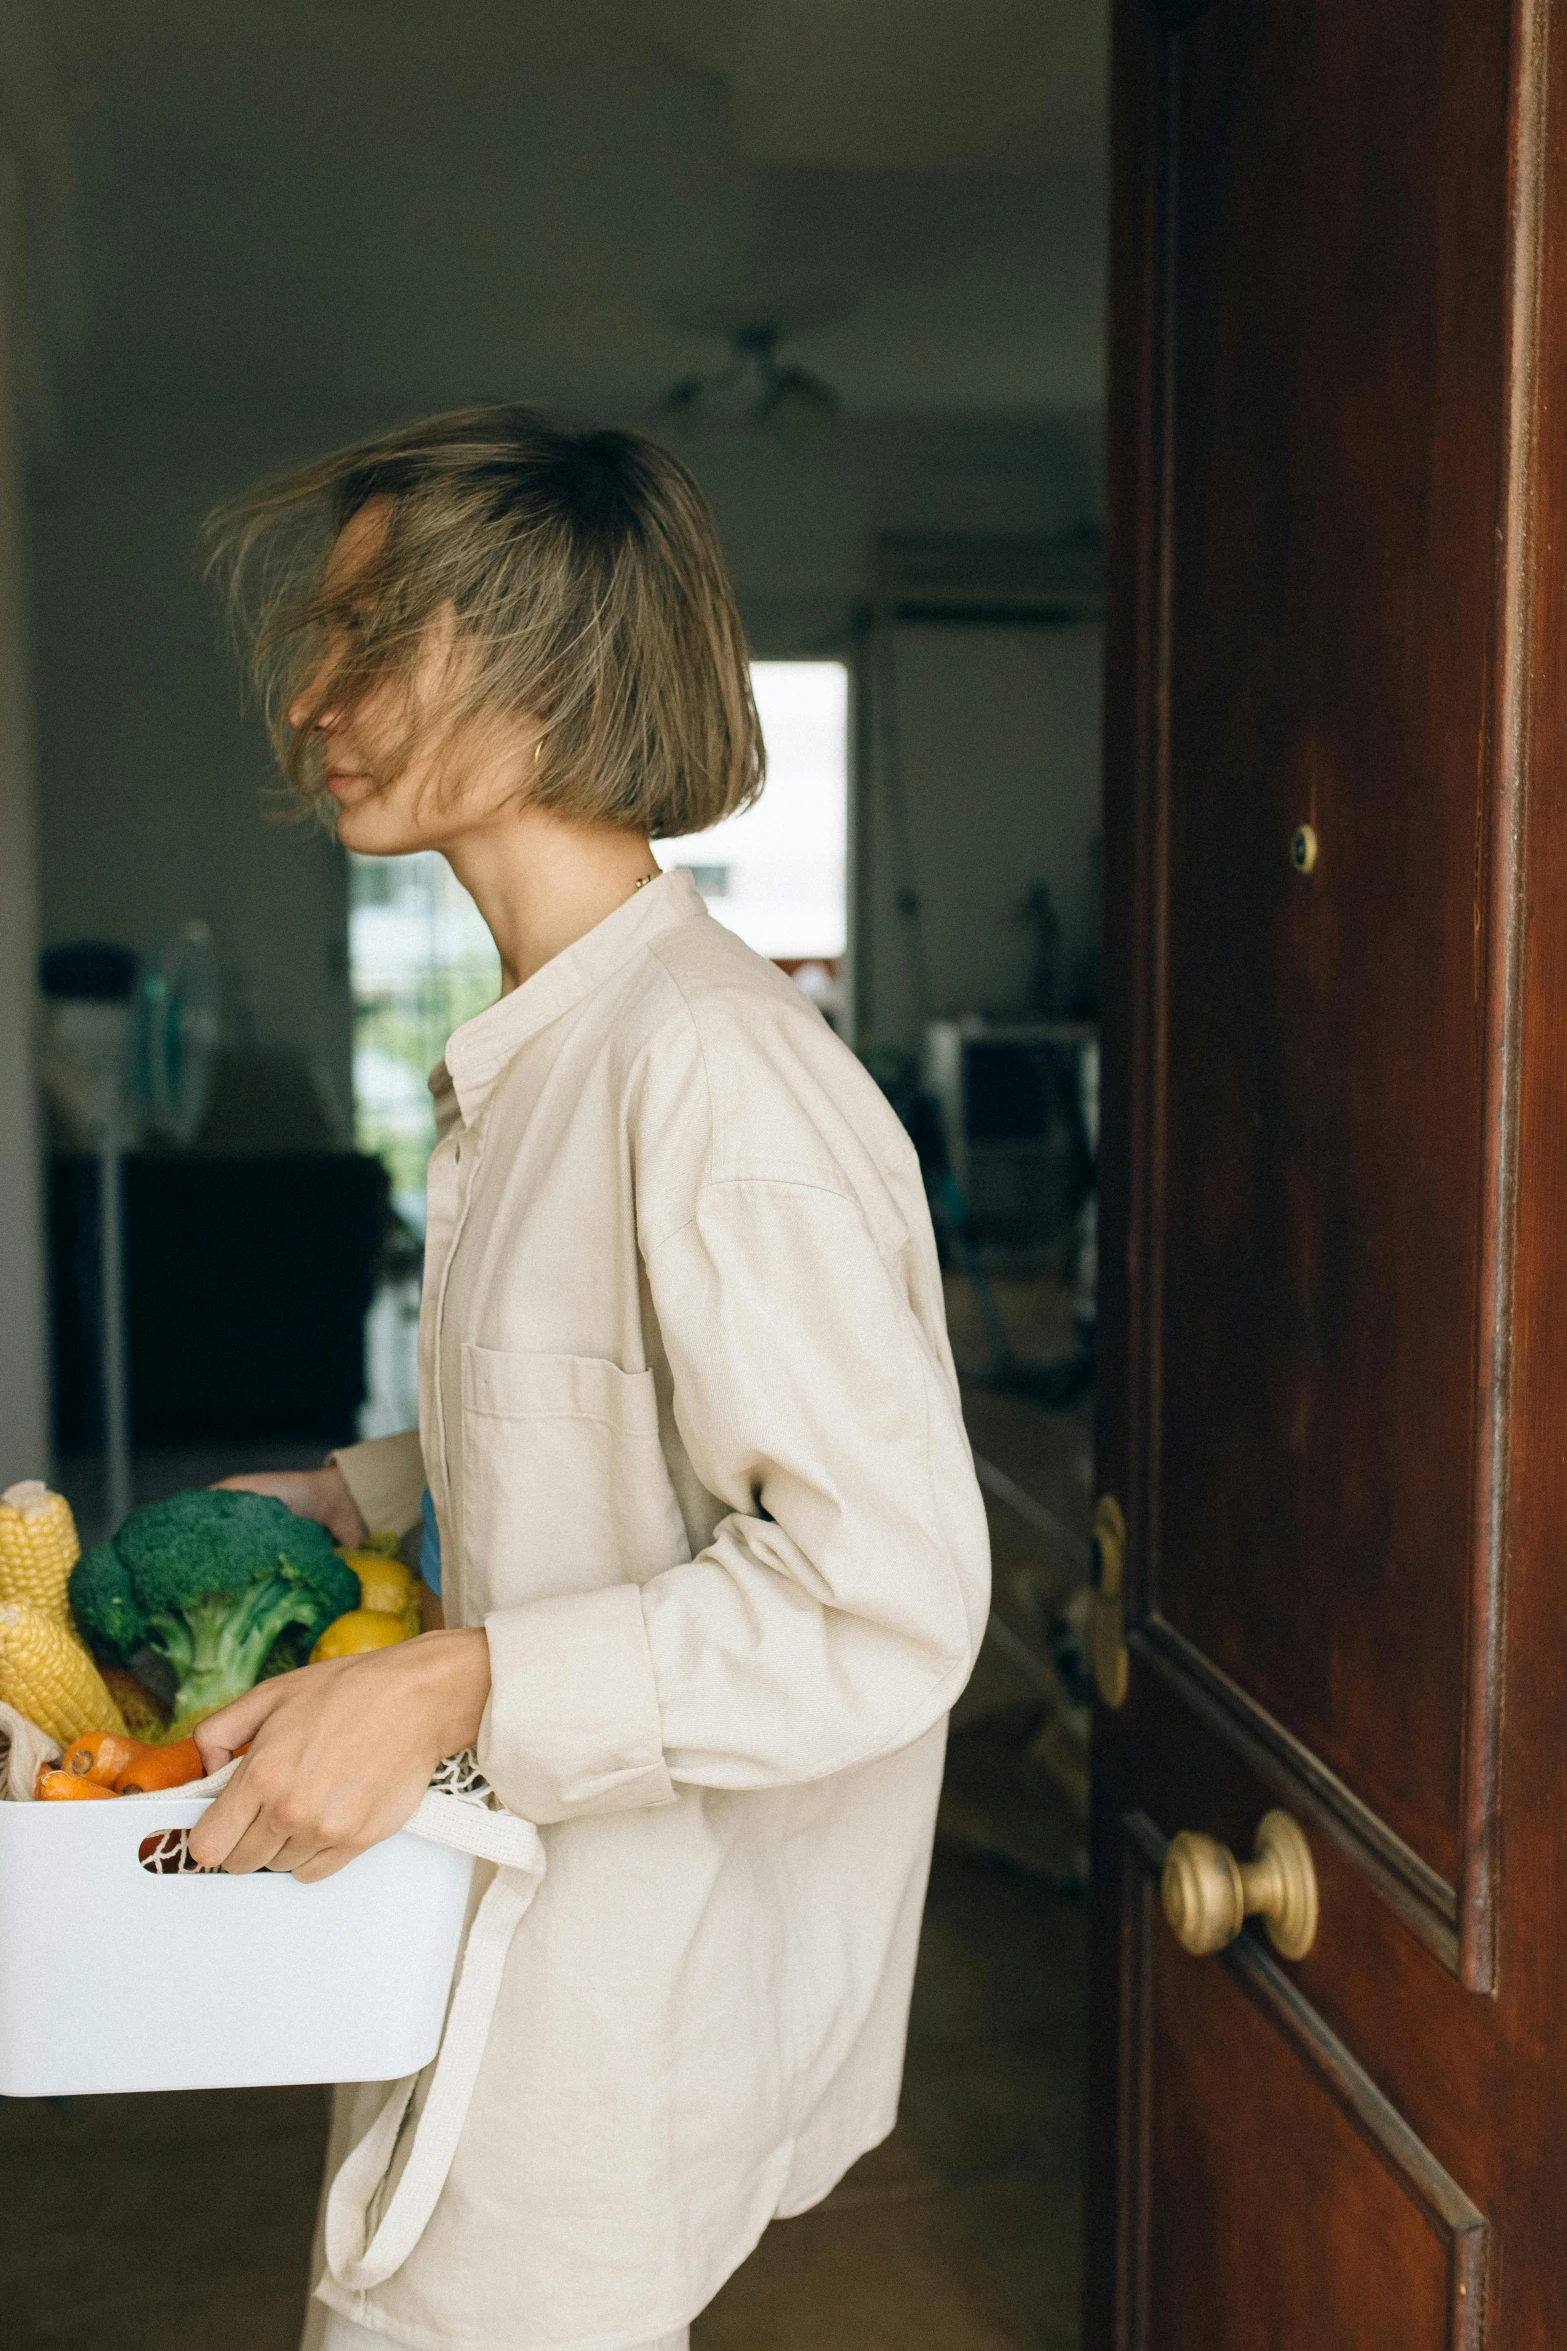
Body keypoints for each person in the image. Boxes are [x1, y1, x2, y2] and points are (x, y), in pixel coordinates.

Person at [195, 405, 991, 2351]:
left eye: (377, 634)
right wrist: (358, 1493)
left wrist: (462, 1676)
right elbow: (597, 1401)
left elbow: (882, 1590)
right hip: (492, 1938)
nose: (315, 691)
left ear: (548, 667)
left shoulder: (706, 1072)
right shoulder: (568, 1044)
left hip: (603, 2017)